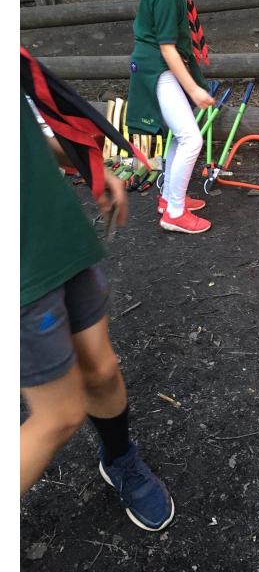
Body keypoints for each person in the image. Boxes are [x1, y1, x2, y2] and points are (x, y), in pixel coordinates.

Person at [20, 94, 175, 531]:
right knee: (58, 416)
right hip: (18, 270)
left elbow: (23, 135)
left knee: (102, 369)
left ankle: (119, 459)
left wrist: (88, 165)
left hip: (54, 234)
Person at [125, 0, 215, 234]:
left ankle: (169, 199)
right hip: (157, 69)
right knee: (191, 139)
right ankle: (174, 213)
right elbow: (167, 48)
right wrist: (193, 90)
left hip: (161, 66)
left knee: (181, 135)